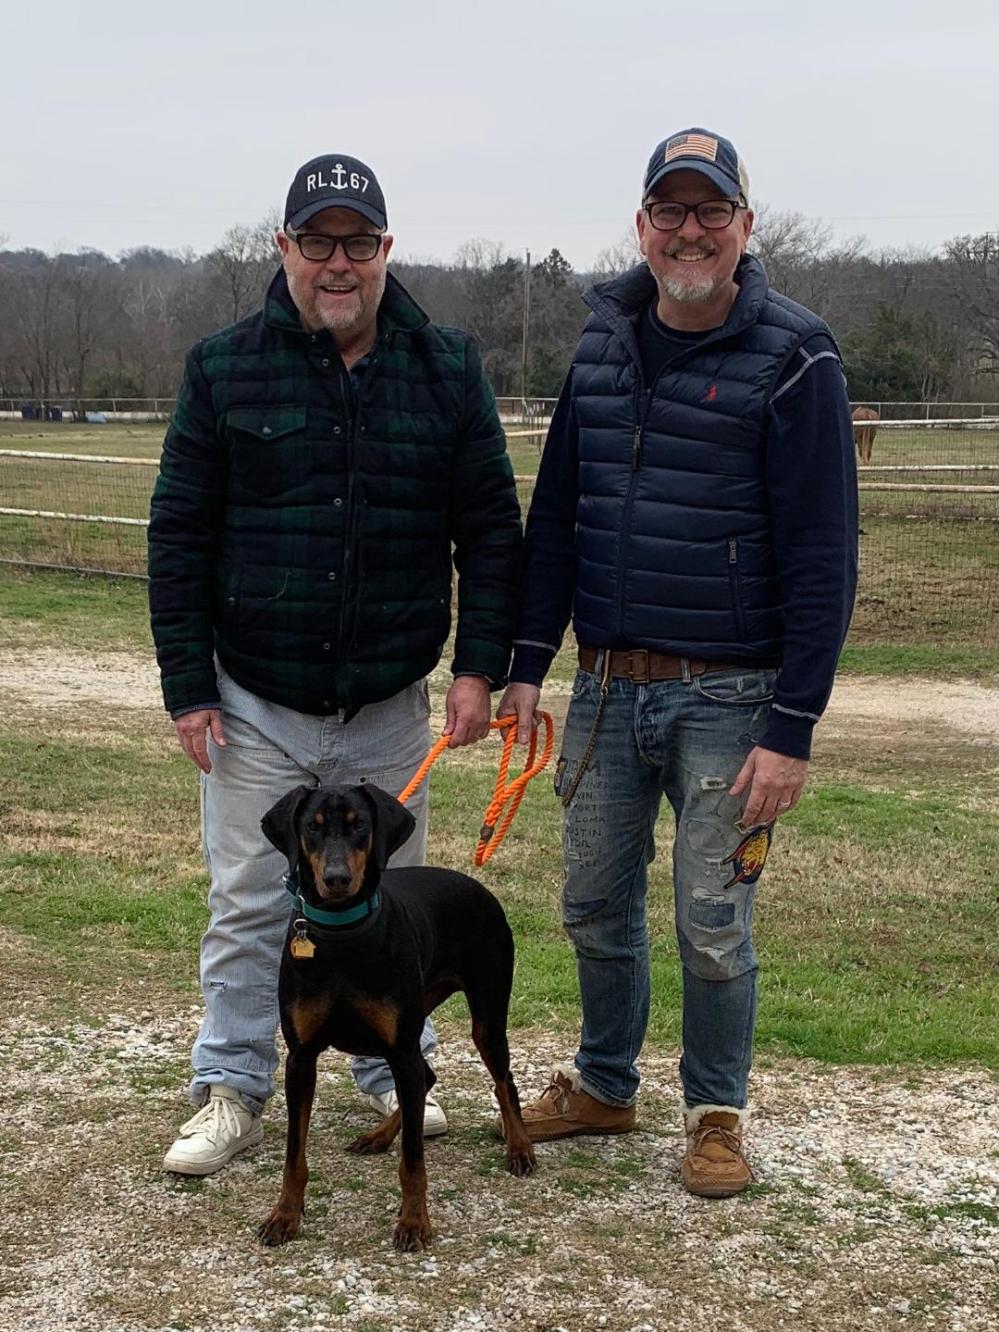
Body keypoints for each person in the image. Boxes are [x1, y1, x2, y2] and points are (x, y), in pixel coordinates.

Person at [498, 128, 857, 1197]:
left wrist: (793, 725)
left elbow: (825, 552)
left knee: (713, 920)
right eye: (671, 211)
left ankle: (715, 1113)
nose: (689, 231)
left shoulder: (798, 355)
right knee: (593, 904)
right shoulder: (601, 346)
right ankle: (607, 1083)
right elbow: (557, 513)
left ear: (747, 225)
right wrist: (526, 662)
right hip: (608, 684)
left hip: (733, 696)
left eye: (711, 212)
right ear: (642, 224)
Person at [149, 153, 521, 1176]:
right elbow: (179, 531)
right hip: (255, 698)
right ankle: (230, 1088)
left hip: (392, 703)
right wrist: (188, 686)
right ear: (286, 250)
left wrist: (479, 667)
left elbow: (491, 527)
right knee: (251, 900)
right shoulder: (223, 367)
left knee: (386, 901)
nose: (339, 262)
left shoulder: (446, 366)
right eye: (319, 241)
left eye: (359, 242)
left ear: (386, 252)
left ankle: (397, 1073)